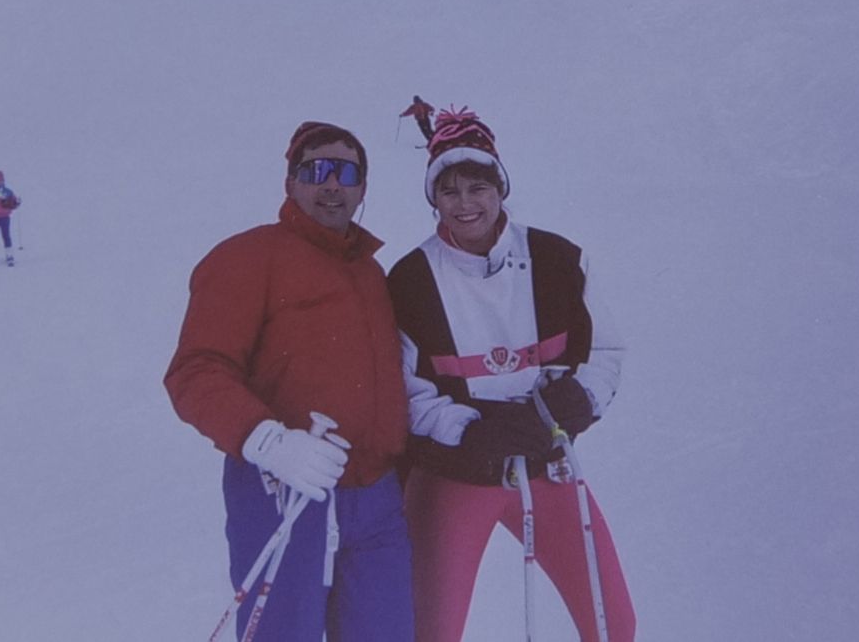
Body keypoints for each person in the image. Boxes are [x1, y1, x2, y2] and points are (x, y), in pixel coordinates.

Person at [387, 106, 636, 641]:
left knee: (612, 624)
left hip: (547, 466)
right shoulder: (410, 281)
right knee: (432, 633)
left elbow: (604, 349)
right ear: (434, 200)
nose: (465, 204)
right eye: (449, 191)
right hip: (457, 476)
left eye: (478, 187)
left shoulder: (557, 259)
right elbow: (405, 391)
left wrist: (581, 399)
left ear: (500, 188)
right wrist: (470, 430)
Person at [164, 121, 415, 641]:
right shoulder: (248, 257)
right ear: (290, 183)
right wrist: (268, 441)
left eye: (347, 173)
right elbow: (196, 370)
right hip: (284, 489)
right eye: (316, 170)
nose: (332, 184)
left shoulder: (371, 273)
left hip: (376, 498)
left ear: (363, 188)